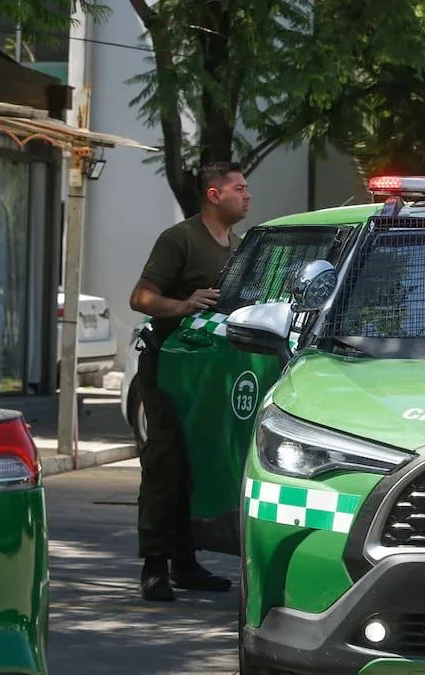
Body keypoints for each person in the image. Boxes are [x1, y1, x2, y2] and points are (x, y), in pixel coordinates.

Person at [128, 161, 250, 601]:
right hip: (169, 371)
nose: (247, 195)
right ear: (214, 195)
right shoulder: (180, 238)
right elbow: (140, 297)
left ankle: (185, 561)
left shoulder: (239, 248)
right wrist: (183, 305)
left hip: (212, 375)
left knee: (198, 465)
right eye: (239, 188)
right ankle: (154, 566)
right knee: (165, 465)